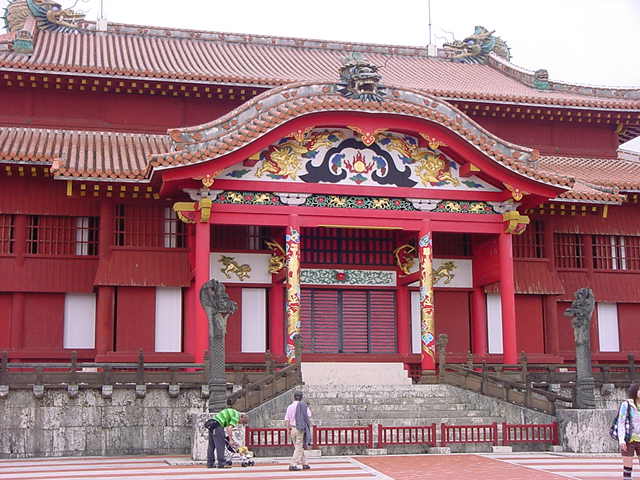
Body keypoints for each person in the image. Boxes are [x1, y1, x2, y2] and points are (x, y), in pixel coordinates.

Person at [284, 391, 312, 471]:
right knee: (299, 447)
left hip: (292, 428)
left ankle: (305, 463)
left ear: (294, 397)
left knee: (298, 446)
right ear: (301, 397)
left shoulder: (290, 406)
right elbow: (309, 415)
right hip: (300, 428)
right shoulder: (304, 406)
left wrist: (288, 429)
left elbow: (287, 419)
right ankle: (293, 464)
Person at [618, 383, 640, 480]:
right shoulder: (626, 405)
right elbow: (621, 422)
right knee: (628, 469)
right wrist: (621, 440)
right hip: (629, 439)